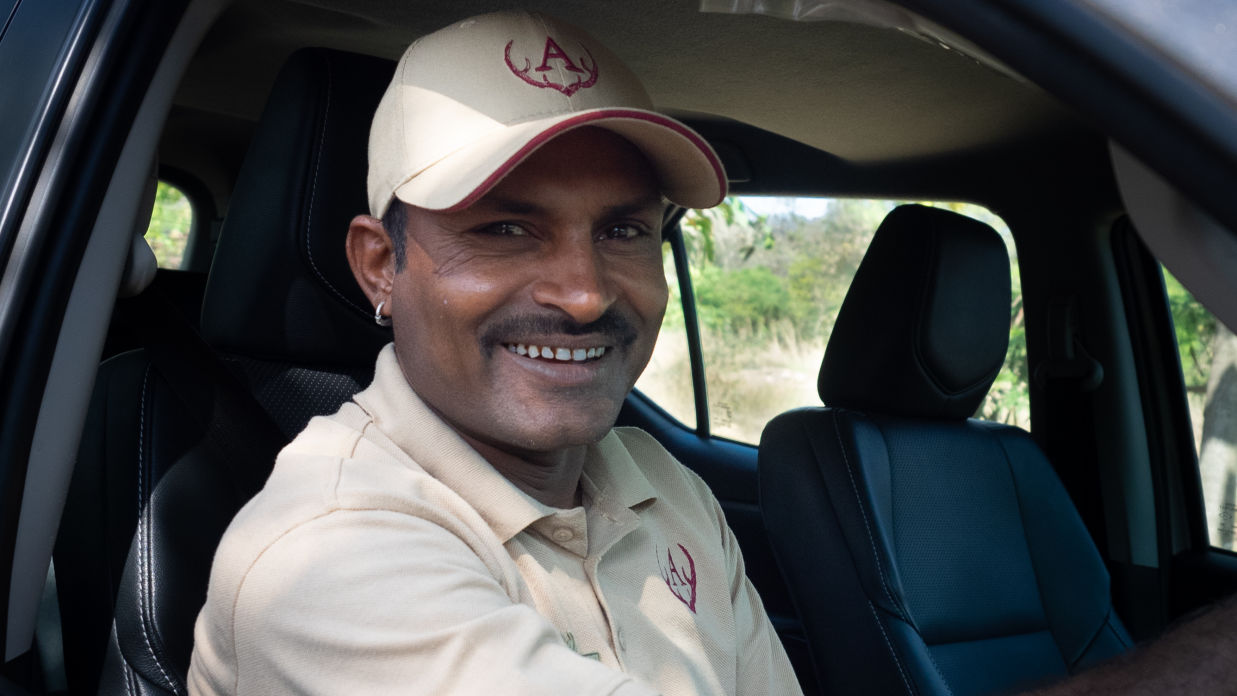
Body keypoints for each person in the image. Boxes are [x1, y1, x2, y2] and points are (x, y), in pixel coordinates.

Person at [188, 10, 800, 696]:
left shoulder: (666, 488)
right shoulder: (325, 554)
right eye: (504, 228)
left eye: (622, 230)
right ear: (380, 266)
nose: (584, 295)